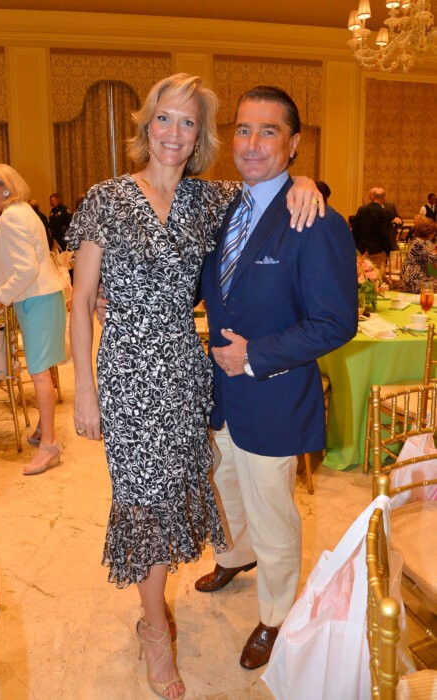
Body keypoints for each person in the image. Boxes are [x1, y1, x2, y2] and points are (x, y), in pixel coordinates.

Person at [70, 73, 323, 700]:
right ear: (145, 125)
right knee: (146, 500)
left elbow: (267, 191)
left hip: (187, 369)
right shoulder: (105, 198)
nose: (174, 134)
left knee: (181, 489)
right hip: (128, 371)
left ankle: (159, 614)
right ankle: (155, 629)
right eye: (164, 119)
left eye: (188, 123)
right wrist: (82, 387)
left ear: (200, 135)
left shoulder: (209, 202)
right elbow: (79, 304)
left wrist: (306, 181)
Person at [194, 85, 358, 670]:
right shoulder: (220, 210)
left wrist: (257, 355)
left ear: (292, 145)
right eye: (243, 130)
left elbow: (336, 322)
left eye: (269, 131)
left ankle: (276, 615)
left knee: (273, 510)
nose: (253, 143)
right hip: (219, 394)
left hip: (273, 392)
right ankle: (236, 556)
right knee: (226, 488)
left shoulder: (315, 219)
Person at [0, 164, 66, 476]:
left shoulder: (13, 216)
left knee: (39, 373)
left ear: (5, 188)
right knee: (43, 369)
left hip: (36, 298)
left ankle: (50, 445)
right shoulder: (21, 212)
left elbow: (26, 268)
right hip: (40, 296)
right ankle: (45, 429)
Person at [352, 187, 399, 272]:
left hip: (362, 249)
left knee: (363, 274)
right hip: (378, 250)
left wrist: (357, 247)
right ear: (384, 198)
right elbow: (386, 234)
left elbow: (355, 230)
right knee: (377, 276)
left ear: (372, 197)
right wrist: (388, 251)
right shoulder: (385, 212)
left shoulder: (362, 209)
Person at [402, 214, 437, 293]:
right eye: (433, 231)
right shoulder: (419, 243)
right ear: (427, 232)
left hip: (417, 276)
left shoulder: (420, 241)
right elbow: (431, 258)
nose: (434, 234)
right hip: (413, 279)